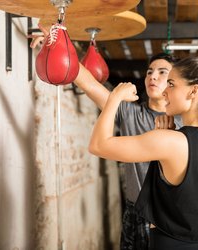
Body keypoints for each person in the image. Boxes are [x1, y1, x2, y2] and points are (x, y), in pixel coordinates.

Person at [30, 24, 182, 249]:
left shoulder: (183, 122)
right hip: (134, 211)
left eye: (162, 72)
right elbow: (89, 84)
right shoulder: (130, 112)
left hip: (166, 214)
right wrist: (58, 44)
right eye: (150, 71)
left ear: (173, 82)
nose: (153, 76)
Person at [87, 54, 198, 249]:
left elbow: (98, 145)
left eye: (172, 84)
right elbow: (184, 202)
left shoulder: (172, 142)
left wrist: (114, 97)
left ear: (193, 92)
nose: (165, 91)